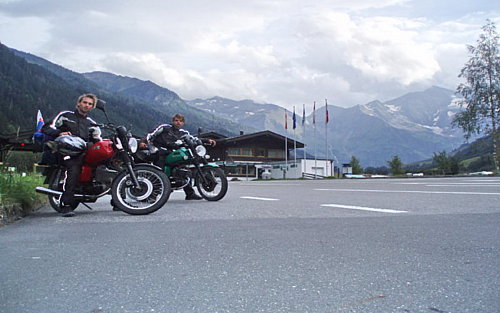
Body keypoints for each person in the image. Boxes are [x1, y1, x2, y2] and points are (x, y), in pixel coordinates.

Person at [42, 94, 102, 217]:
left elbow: (98, 140)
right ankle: (66, 204)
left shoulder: (92, 123)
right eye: (85, 102)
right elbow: (46, 128)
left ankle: (116, 200)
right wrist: (59, 132)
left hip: (83, 151)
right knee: (74, 168)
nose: (87, 105)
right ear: (78, 103)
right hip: (66, 150)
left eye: (90, 104)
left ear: (93, 107)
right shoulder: (66, 115)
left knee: (104, 162)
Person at [142, 113, 216, 200]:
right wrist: (143, 142)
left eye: (180, 121)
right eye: (176, 120)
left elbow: (193, 139)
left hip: (173, 153)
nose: (178, 122)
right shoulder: (165, 128)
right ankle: (152, 195)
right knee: (159, 171)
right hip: (160, 151)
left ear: (183, 123)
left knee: (183, 169)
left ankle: (190, 194)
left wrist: (207, 140)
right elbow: (150, 134)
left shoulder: (183, 133)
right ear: (173, 121)